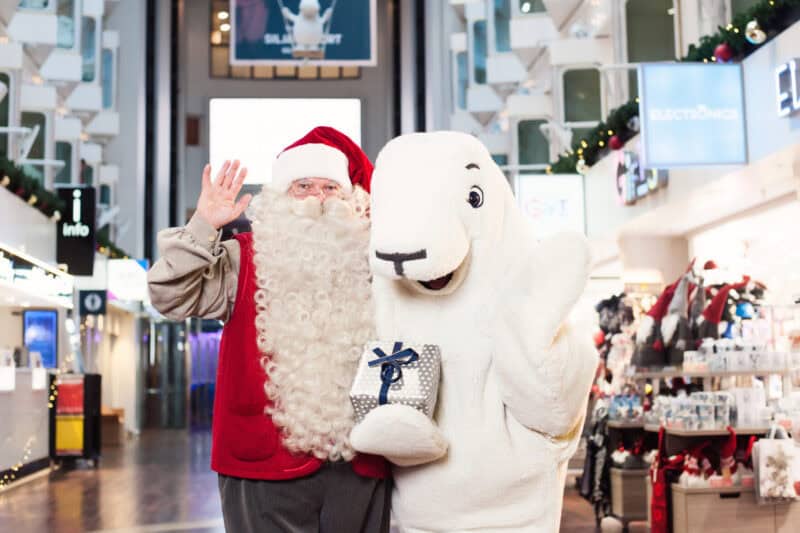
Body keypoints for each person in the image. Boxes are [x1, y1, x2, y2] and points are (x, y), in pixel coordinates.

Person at [147, 126, 389, 533]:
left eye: (331, 187)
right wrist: (204, 224)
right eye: (303, 186)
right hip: (261, 467)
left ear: (351, 198)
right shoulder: (241, 257)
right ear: (279, 197)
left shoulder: (374, 260)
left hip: (360, 463)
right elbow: (169, 296)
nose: (318, 198)